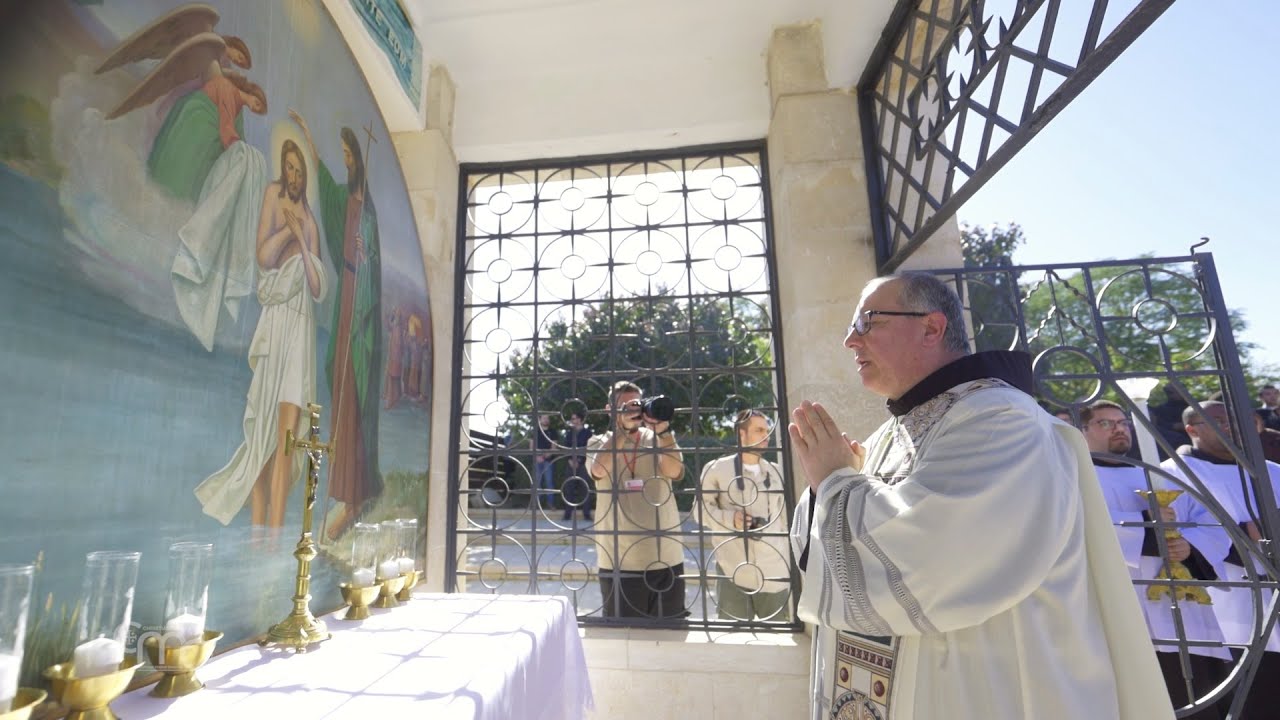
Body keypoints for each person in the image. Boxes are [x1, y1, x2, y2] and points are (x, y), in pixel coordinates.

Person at [787, 272, 1170, 720]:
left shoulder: (1001, 420)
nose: (851, 340)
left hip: (986, 691)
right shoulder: (892, 433)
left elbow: (933, 556)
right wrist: (828, 488)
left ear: (932, 327)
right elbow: (819, 549)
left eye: (867, 322)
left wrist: (834, 480)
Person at [195, 139, 327, 528]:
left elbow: (317, 286)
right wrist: (287, 233)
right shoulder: (272, 195)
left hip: (299, 329)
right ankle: (258, 537)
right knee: (262, 444)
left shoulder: (311, 223)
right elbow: (264, 257)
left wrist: (301, 236)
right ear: (283, 170)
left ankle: (273, 536)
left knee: (287, 440)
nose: (295, 177)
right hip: (274, 324)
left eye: (300, 171)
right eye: (290, 169)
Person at [1081, 400, 1230, 719]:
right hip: (1125, 605)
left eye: (1123, 422)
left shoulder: (1159, 475)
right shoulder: (1076, 478)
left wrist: (1188, 547)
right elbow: (1079, 524)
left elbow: (1212, 522)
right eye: (1105, 423)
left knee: (1201, 696)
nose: (1119, 429)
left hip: (1184, 610)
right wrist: (1148, 529)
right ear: (1082, 432)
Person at [292, 112, 384, 541]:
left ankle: (354, 495)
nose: (345, 161)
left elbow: (375, 268)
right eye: (343, 154)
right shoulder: (346, 197)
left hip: (359, 302)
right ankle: (348, 493)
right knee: (339, 380)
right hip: (346, 295)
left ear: (359, 160)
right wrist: (308, 134)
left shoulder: (369, 212)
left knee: (352, 391)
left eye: (349, 155)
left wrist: (365, 256)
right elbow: (326, 184)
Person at [1162, 400, 1280, 719]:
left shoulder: (1270, 470)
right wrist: (1244, 534)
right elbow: (1173, 535)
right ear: (1192, 429)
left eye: (1234, 421)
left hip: (1274, 585)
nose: (1231, 428)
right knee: (1250, 693)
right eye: (1220, 421)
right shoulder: (1174, 474)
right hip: (1230, 598)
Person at [587, 382, 685, 618]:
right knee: (624, 634)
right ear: (609, 410)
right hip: (619, 560)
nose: (633, 410)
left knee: (670, 633)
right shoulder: (597, 442)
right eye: (625, 406)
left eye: (636, 404)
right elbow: (598, 470)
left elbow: (674, 471)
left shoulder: (659, 438)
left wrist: (663, 432)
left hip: (666, 557)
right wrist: (623, 431)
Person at [699, 409, 791, 621]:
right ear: (742, 434)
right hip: (733, 570)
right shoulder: (716, 469)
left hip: (774, 572)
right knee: (734, 637)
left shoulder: (777, 472)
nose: (766, 435)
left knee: (779, 635)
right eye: (759, 430)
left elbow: (786, 519)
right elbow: (700, 511)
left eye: (767, 430)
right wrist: (731, 519)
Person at [562, 412, 594, 522]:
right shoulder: (569, 433)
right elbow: (566, 447)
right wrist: (570, 460)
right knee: (568, 489)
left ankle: (587, 515)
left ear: (580, 420)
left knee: (585, 489)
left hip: (583, 465)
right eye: (572, 419)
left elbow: (588, 448)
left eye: (574, 418)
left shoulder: (588, 433)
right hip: (570, 464)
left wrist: (579, 460)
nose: (572, 421)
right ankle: (567, 515)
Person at [532, 414, 557, 509]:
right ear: (539, 419)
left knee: (549, 482)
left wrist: (544, 456)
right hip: (537, 460)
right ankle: (536, 505)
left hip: (548, 461)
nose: (546, 420)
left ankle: (550, 504)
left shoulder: (553, 432)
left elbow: (554, 447)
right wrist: (537, 457)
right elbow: (531, 447)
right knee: (537, 482)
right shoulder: (535, 431)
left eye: (548, 418)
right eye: (544, 418)